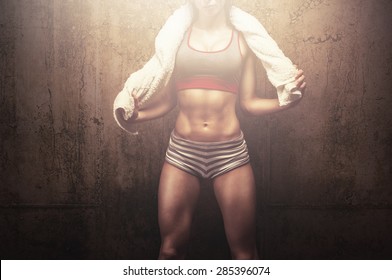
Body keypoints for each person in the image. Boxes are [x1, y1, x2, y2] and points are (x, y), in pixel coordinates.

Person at [115, 0, 306, 259]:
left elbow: (248, 104)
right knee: (170, 250)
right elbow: (170, 101)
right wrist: (138, 116)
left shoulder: (242, 41)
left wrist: (286, 102)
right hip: (182, 153)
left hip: (230, 154)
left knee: (245, 255)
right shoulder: (176, 39)